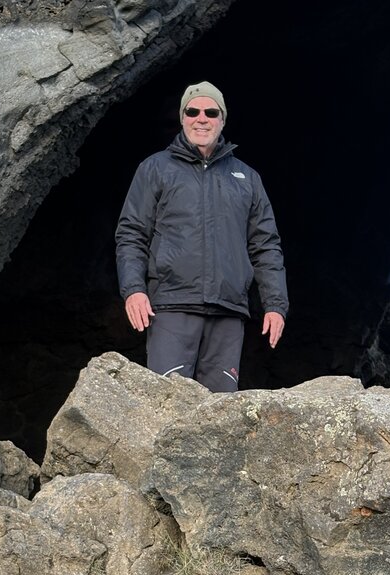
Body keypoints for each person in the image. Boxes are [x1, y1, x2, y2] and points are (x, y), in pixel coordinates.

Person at [115, 81, 288, 392]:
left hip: (228, 312)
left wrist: (275, 305)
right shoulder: (155, 168)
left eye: (211, 112)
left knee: (220, 411)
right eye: (193, 111)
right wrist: (133, 290)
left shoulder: (247, 178)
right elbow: (132, 234)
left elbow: (266, 247)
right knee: (166, 405)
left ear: (222, 120)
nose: (201, 119)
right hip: (171, 307)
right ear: (183, 118)